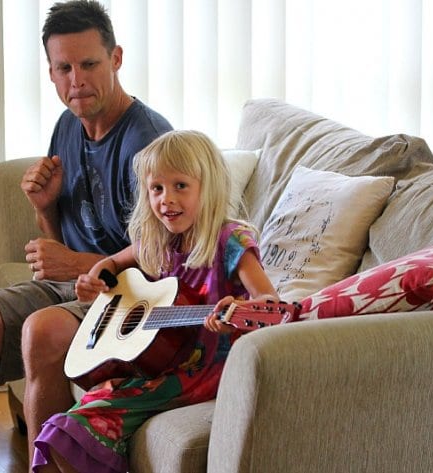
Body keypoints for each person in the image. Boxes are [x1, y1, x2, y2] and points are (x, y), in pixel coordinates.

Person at [0, 1, 173, 471]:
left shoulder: (148, 141)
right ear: (51, 72)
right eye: (63, 68)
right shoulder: (68, 124)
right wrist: (45, 209)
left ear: (116, 58)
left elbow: (164, 258)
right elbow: (64, 237)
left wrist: (78, 265)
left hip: (131, 298)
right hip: (73, 288)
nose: (76, 80)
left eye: (88, 64)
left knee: (41, 329)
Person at [31, 130, 300, 473]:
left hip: (205, 370)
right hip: (164, 364)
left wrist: (234, 311)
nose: (166, 199)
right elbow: (114, 262)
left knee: (72, 429)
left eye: (180, 186)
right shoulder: (160, 241)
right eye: (156, 188)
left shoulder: (230, 240)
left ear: (209, 187)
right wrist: (99, 278)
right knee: (69, 421)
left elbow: (271, 304)